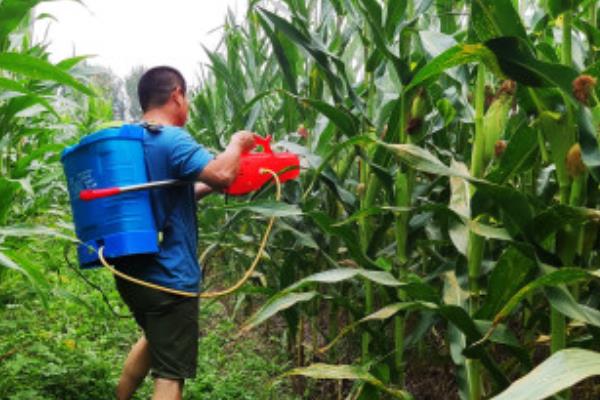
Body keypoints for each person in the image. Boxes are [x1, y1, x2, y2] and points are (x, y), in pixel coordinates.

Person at [113, 66, 255, 400]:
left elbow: (167, 195)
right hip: (169, 278)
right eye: (186, 97)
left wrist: (209, 185)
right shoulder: (172, 138)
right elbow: (222, 172)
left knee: (156, 340)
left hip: (132, 274)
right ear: (177, 94)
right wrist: (237, 142)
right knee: (170, 375)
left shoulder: (131, 140)